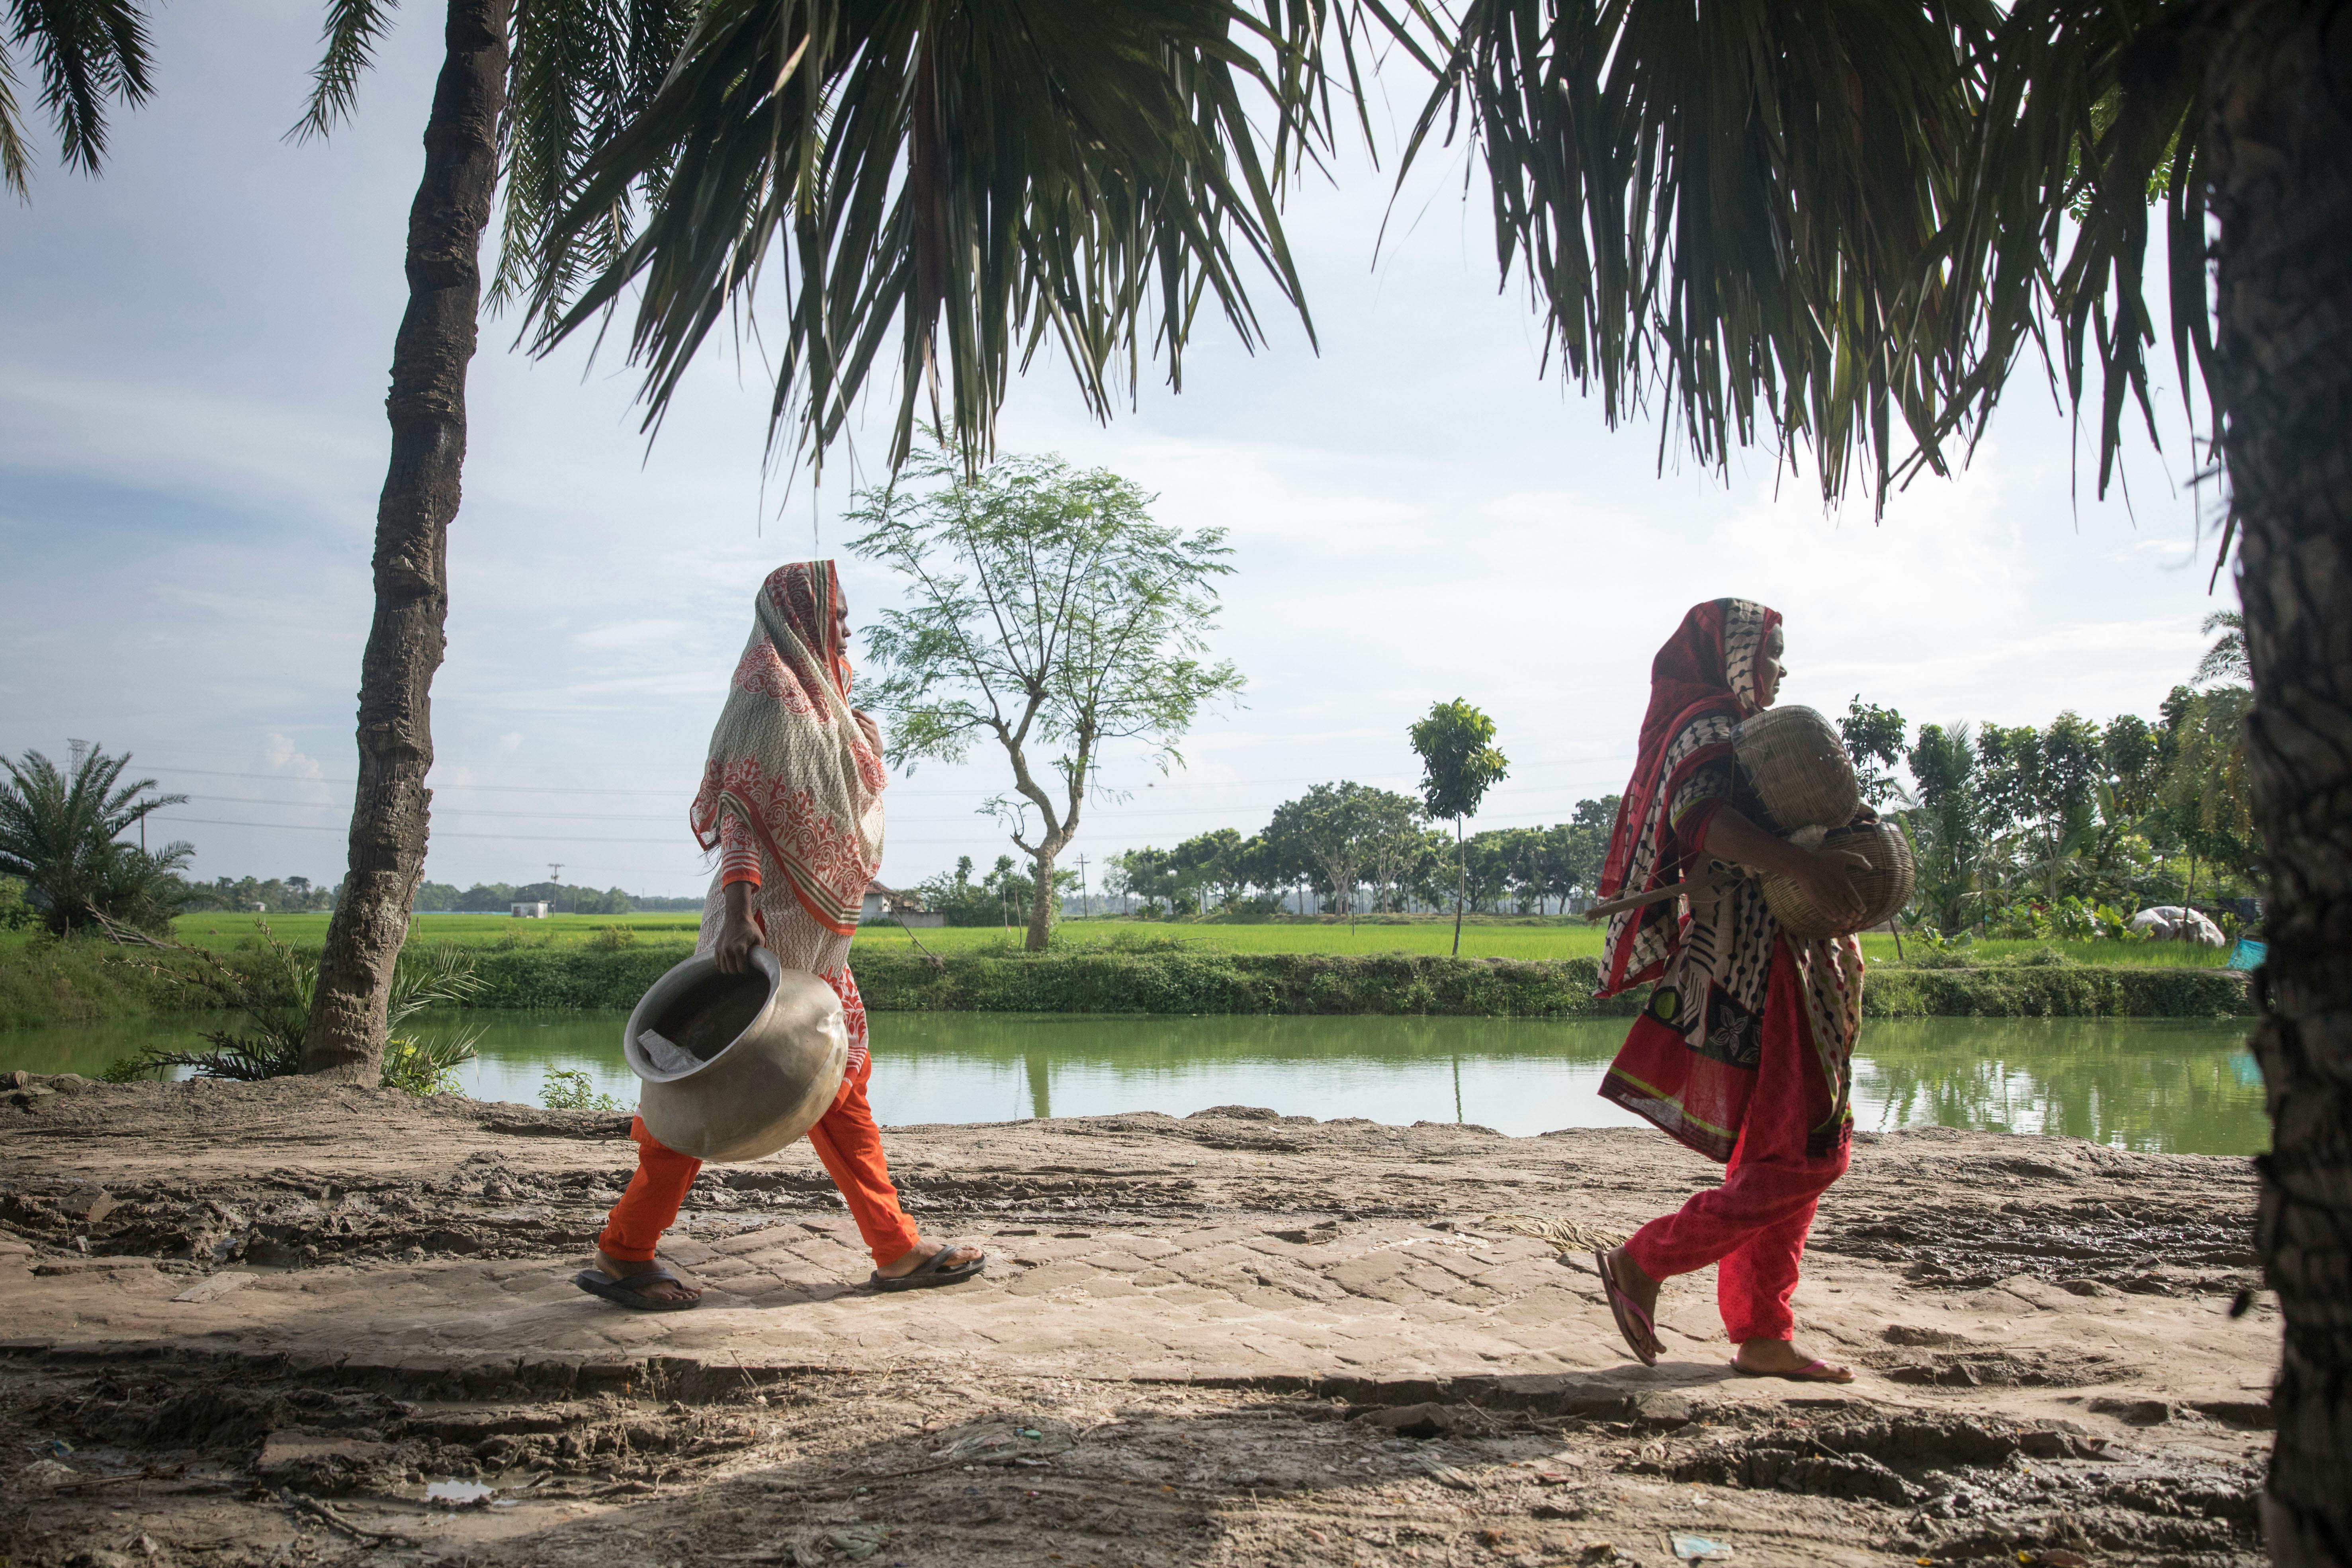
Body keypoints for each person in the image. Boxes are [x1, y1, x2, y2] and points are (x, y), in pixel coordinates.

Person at [577, 560, 986, 1310]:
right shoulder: (766, 704)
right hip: (759, 931)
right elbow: (740, 806)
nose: (847, 628)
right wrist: (738, 911)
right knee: (693, 1097)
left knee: (839, 1086)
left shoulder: (829, 711)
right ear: (799, 616)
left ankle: (894, 1247)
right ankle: (624, 1252)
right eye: (836, 613)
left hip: (819, 943)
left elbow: (833, 813)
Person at [1587, 599, 1869, 1382]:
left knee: (1781, 1155)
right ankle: (1644, 1260)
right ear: (1731, 656)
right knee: (1808, 1153)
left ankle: (1760, 1331)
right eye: (1770, 654)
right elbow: (1701, 820)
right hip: (1759, 967)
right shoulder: (1709, 731)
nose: (1779, 671)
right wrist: (1803, 866)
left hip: (1786, 961)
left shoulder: (1751, 739)